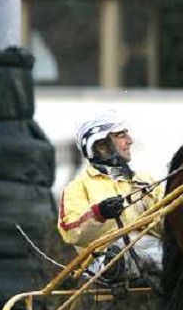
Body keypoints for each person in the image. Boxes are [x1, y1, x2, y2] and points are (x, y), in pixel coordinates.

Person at [57, 112, 165, 288]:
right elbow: (71, 232)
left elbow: (168, 223)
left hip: (155, 250)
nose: (130, 140)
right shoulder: (77, 187)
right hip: (105, 260)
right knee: (123, 252)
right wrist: (100, 213)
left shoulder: (146, 181)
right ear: (101, 146)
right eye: (121, 135)